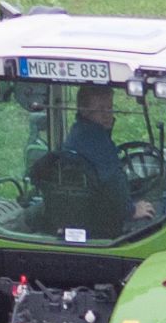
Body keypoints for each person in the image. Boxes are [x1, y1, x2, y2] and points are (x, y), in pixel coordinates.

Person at [44, 84, 135, 231]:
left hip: (76, 208)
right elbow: (113, 182)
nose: (107, 114)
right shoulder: (97, 142)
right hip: (97, 216)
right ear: (84, 110)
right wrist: (132, 210)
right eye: (100, 109)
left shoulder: (77, 131)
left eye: (110, 108)